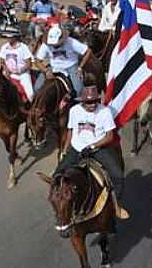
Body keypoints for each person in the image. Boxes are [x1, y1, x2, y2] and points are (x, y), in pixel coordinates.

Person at [55, 84, 128, 219]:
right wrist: (64, 151)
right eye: (89, 102)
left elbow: (110, 136)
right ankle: (62, 208)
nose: (92, 104)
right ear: (82, 101)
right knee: (56, 176)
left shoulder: (105, 111)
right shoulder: (74, 111)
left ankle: (115, 205)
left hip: (98, 149)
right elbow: (70, 131)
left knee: (118, 176)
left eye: (95, 101)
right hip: (77, 148)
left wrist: (93, 146)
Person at [35, 25, 92, 98]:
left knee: (78, 89)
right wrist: (45, 70)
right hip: (53, 67)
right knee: (37, 88)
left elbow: (88, 51)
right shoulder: (46, 44)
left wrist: (80, 67)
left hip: (70, 66)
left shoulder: (71, 42)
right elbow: (37, 60)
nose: (54, 46)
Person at [0, 30, 35, 102]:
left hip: (23, 75)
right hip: (9, 74)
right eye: (7, 37)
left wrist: (20, 70)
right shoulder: (4, 47)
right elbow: (2, 61)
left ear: (15, 37)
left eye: (10, 37)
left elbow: (29, 63)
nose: (8, 39)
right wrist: (6, 70)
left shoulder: (23, 47)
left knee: (30, 94)